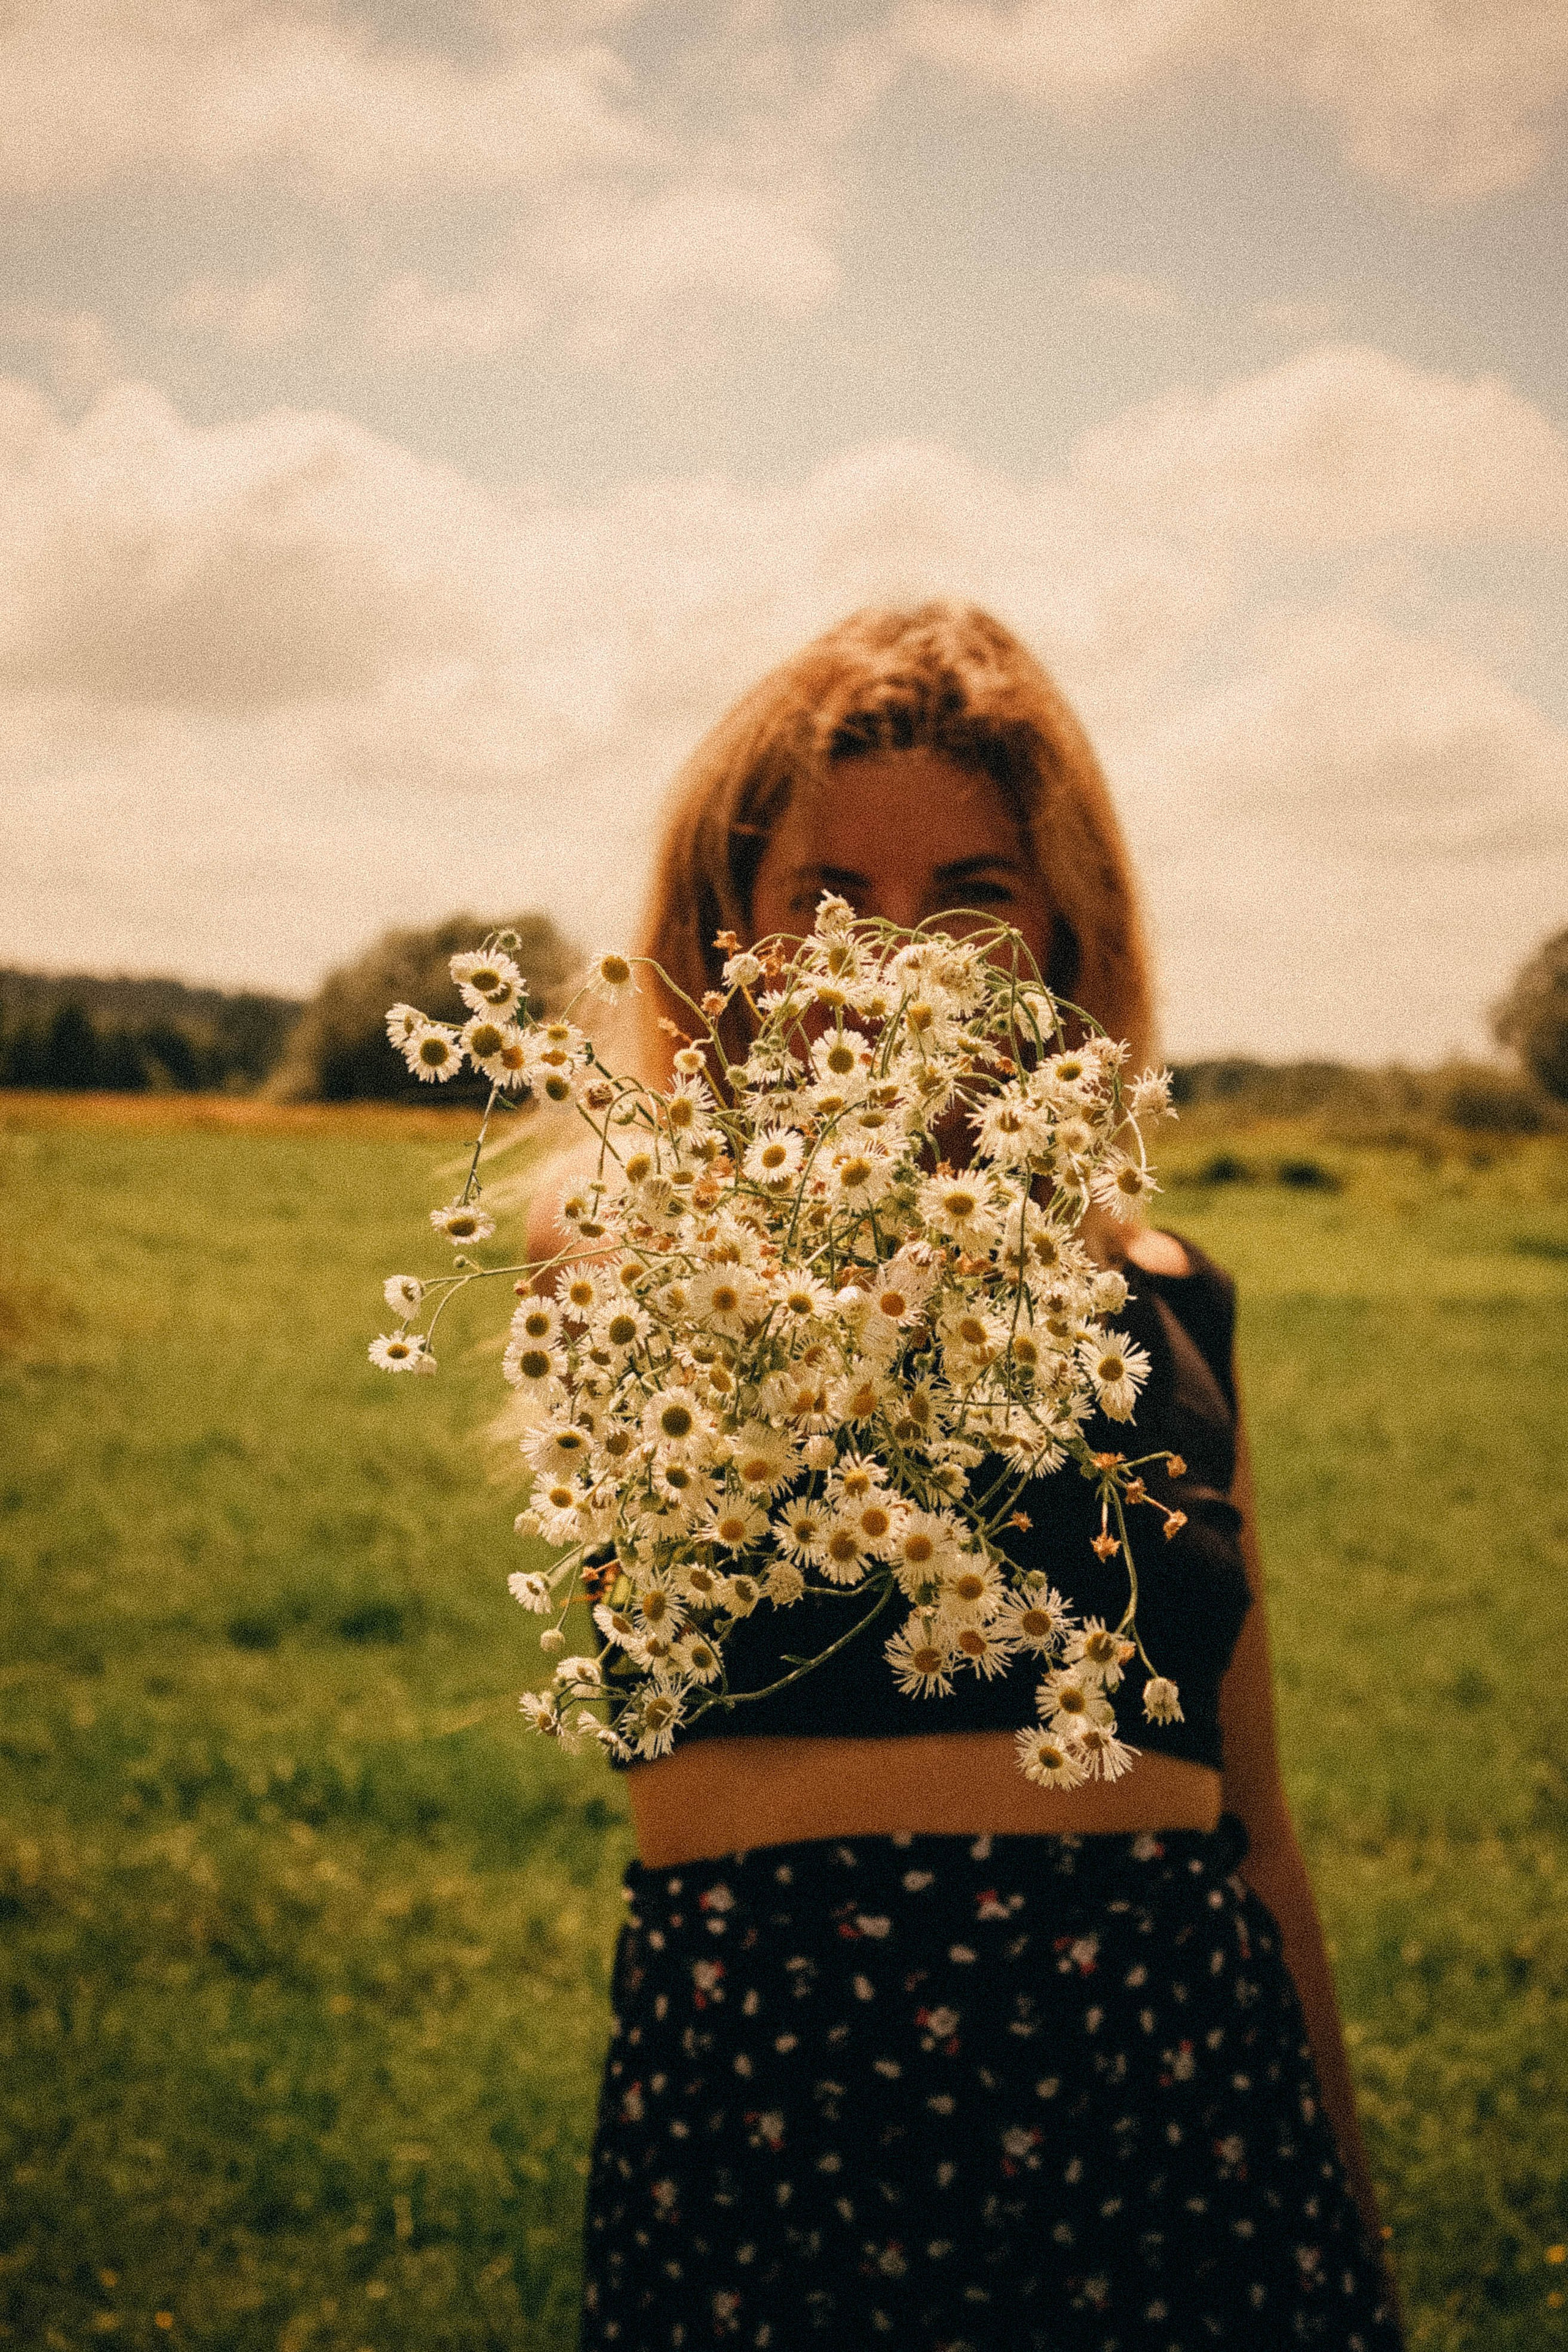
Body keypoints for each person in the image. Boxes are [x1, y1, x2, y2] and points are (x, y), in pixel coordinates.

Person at [530, 604, 1403, 2350]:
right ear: (731, 936)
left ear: (1065, 929)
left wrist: (1358, 2239)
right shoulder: (637, 1244)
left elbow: (1262, 1825)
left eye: (972, 897)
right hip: (774, 2109)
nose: (896, 954)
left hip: (1170, 2106)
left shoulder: (1169, 1297)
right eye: (823, 899)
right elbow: (683, 1253)